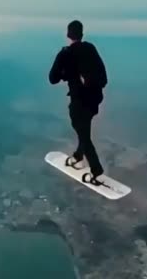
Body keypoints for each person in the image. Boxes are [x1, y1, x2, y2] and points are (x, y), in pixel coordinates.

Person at [49, 20, 108, 185]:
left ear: (68, 34)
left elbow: (52, 79)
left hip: (79, 101)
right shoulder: (91, 49)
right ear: (81, 34)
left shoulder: (65, 54)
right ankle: (78, 157)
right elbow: (103, 77)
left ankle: (97, 172)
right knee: (84, 129)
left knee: (82, 133)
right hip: (95, 99)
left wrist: (64, 73)